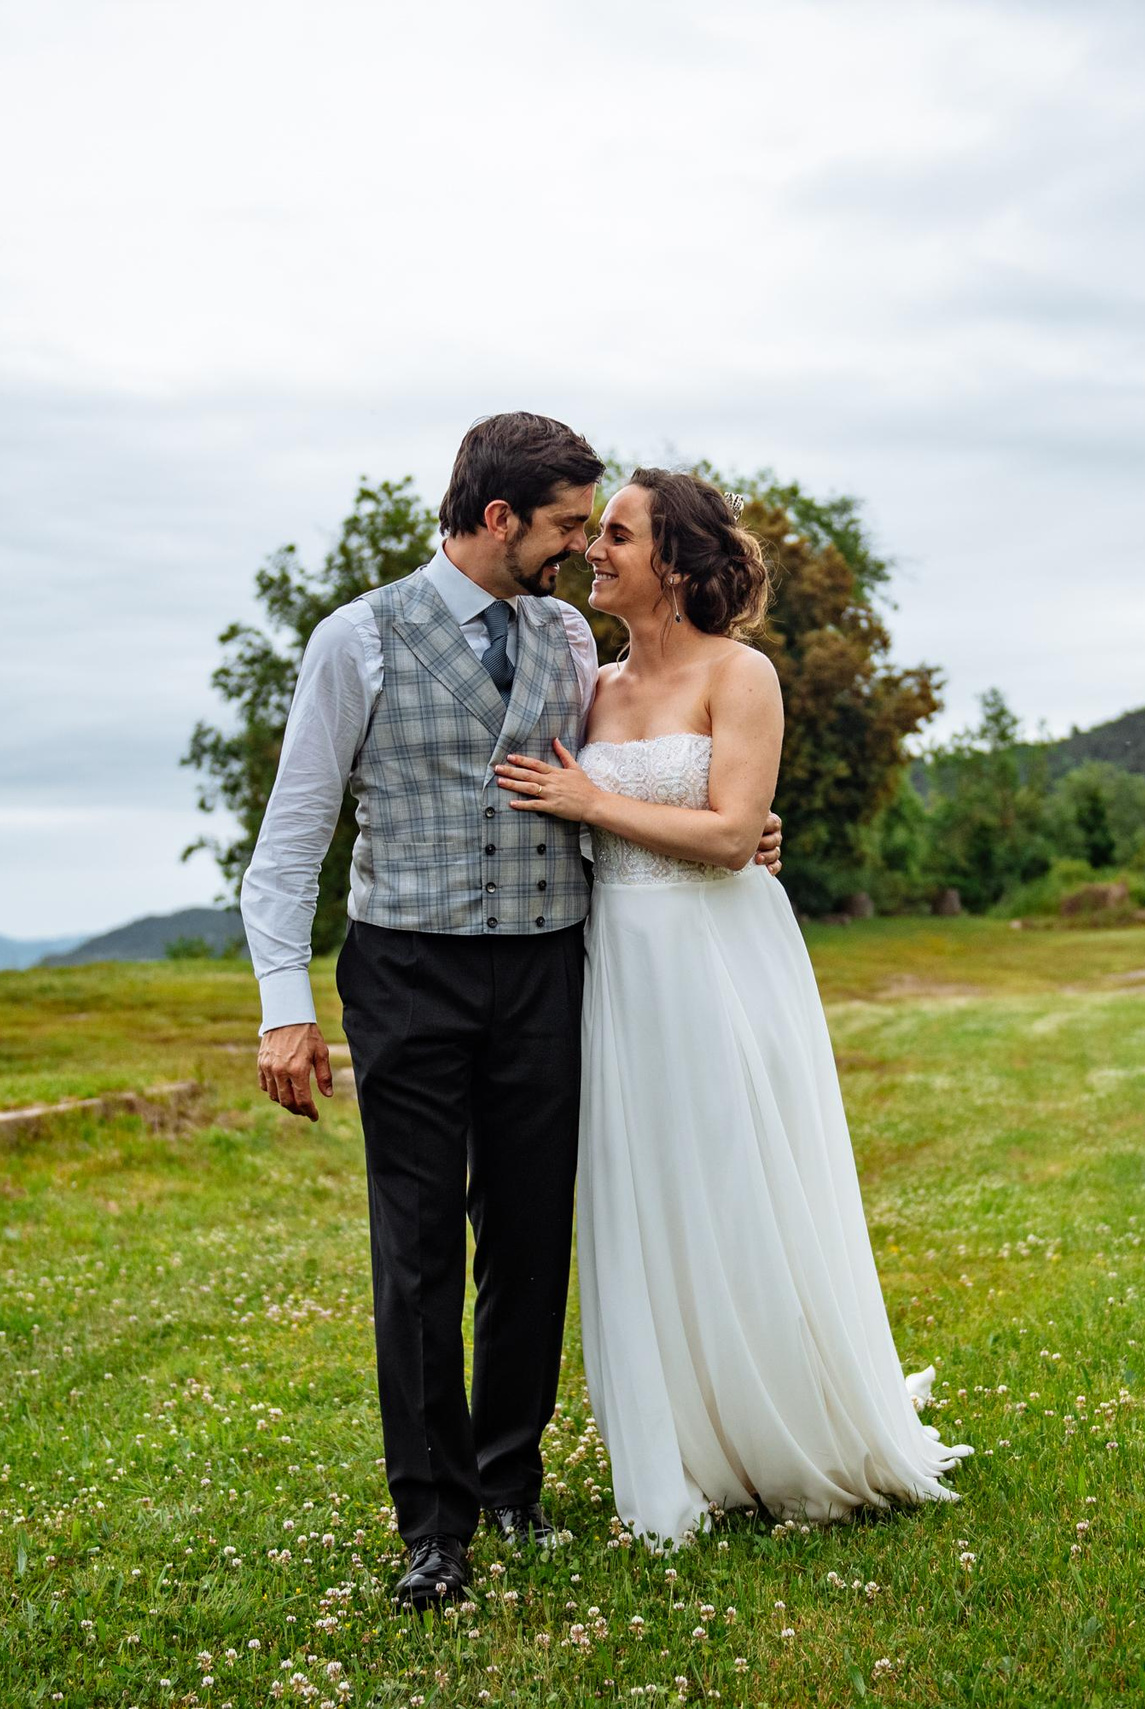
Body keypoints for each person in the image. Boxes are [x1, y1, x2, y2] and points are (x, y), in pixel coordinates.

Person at [239, 415, 783, 1610]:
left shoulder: (566, 638)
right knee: (421, 1245)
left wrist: (740, 834)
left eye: (593, 528)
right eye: (565, 526)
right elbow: (286, 846)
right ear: (499, 520)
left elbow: (648, 772)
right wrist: (286, 1009)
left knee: (532, 1241)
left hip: (546, 966)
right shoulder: (357, 638)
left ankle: (509, 1482)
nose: (581, 548)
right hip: (408, 970)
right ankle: (433, 1525)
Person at [494, 467, 969, 1549]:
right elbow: (598, 819)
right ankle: (689, 1439)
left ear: (675, 559)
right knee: (645, 1189)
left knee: (735, 1174)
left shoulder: (740, 673)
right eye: (594, 531)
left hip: (718, 954)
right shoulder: (591, 683)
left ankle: (783, 1417)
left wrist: (603, 801)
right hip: (616, 958)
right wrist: (597, 811)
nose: (592, 550)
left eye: (616, 534)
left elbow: (725, 832)